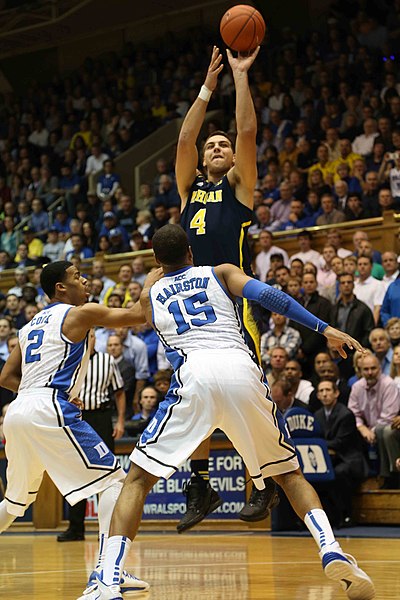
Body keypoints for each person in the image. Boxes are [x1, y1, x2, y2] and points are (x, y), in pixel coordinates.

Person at [87, 224, 374, 600]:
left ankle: (108, 579)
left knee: (137, 481)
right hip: (241, 371)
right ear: (191, 252)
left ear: (157, 261)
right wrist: (324, 328)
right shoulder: (220, 272)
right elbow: (273, 297)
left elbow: (132, 315)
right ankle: (330, 548)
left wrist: (146, 286)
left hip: (195, 378)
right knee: (288, 474)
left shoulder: (152, 295)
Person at [0, 260, 151, 596]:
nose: (85, 281)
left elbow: (6, 378)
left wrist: (43, 388)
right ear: (60, 289)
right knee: (115, 483)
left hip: (19, 409)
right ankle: (105, 573)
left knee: (14, 504)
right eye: (76, 277)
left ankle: (114, 571)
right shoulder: (78, 313)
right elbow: (138, 315)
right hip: (47, 408)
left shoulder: (28, 326)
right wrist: (156, 275)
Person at [175, 46, 277, 528]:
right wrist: (206, 87)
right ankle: (201, 486)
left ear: (233, 158)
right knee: (193, 399)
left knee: (245, 397)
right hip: (192, 310)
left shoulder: (240, 189)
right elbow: (184, 140)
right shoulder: (189, 189)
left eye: (223, 145)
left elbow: (249, 131)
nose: (215, 147)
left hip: (232, 303)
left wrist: (239, 76)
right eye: (211, 145)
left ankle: (264, 479)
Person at [57, 329, 127, 542]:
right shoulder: (69, 361)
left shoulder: (107, 360)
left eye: (92, 336)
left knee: (105, 472)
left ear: (97, 339)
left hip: (101, 417)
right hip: (76, 419)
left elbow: (119, 392)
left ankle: (107, 530)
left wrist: (121, 421)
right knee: (75, 471)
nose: (89, 339)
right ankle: (75, 528)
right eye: (85, 336)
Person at [314, 379, 368, 528]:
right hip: (329, 458)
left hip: (348, 459)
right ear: (317, 395)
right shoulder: (317, 415)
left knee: (338, 473)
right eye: (321, 391)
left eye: (328, 390)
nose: (325, 394)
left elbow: (340, 443)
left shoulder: (345, 414)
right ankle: (328, 517)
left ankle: (346, 514)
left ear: (336, 393)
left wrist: (318, 445)